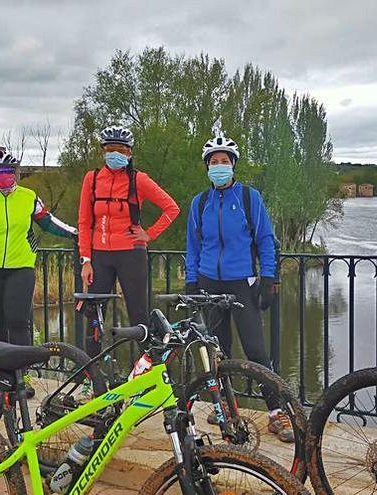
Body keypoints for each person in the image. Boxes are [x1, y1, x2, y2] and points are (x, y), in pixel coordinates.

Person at [184, 122, 293, 443]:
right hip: (207, 284)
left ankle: (276, 411)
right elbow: (193, 245)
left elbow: (266, 240)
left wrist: (269, 278)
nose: (219, 166)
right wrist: (192, 282)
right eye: (214, 162)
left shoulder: (248, 198)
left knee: (256, 351)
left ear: (233, 165)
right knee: (218, 353)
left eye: (224, 161)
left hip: (241, 283)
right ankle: (227, 410)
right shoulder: (199, 202)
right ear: (207, 167)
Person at [77, 125, 179, 355]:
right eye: (111, 149)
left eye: (121, 150)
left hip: (131, 254)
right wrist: (86, 259)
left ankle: (148, 370)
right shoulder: (91, 179)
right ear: (103, 152)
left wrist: (149, 234)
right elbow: (84, 221)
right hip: (99, 254)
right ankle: (91, 375)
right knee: (94, 315)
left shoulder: (138, 180)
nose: (116, 154)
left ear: (130, 153)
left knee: (138, 314)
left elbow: (171, 208)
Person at [0, 150, 77, 345]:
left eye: (8, 171)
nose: (3, 175)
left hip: (21, 267)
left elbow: (48, 222)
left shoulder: (29, 197)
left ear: (15, 173)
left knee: (18, 322)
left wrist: (74, 233)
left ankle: (21, 372)